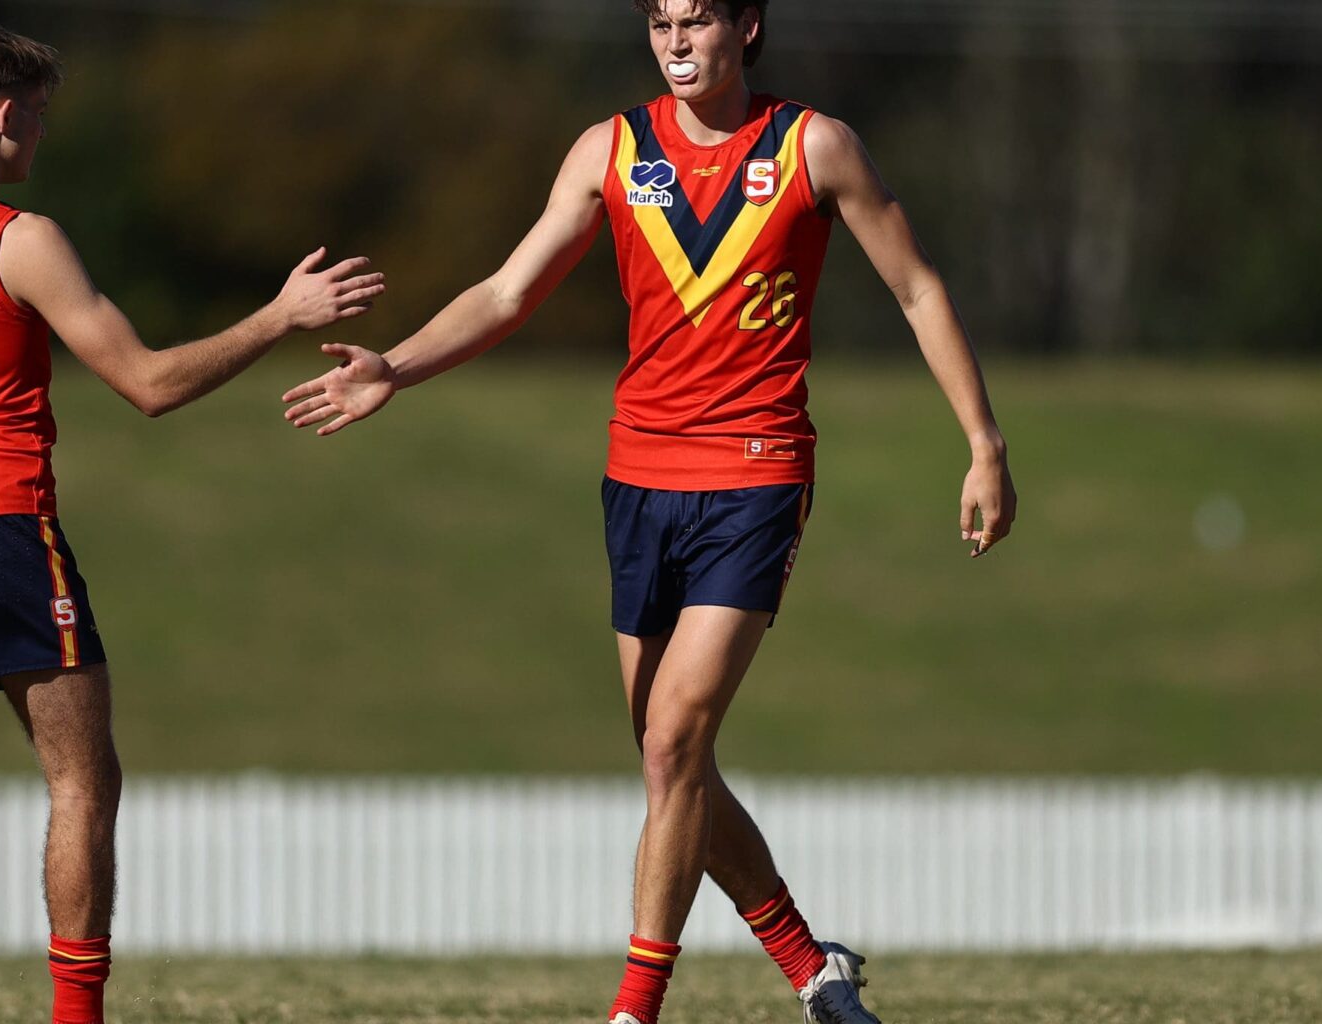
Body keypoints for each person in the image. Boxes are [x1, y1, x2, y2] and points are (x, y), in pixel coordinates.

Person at [281, 1, 1015, 1021]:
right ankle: (814, 968)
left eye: (699, 20)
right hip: (638, 482)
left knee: (672, 743)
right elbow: (506, 293)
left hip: (757, 475)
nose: (676, 42)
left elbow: (920, 290)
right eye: (661, 21)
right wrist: (393, 370)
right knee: (676, 761)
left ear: (747, 27)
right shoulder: (611, 150)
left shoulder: (815, 146)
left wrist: (984, 442)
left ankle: (633, 1009)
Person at [0, 20, 383, 1024]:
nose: (40, 136)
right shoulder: (21, 237)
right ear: (3, 114)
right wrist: (279, 317)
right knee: (83, 778)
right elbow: (150, 383)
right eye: (37, 116)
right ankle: (75, 1017)